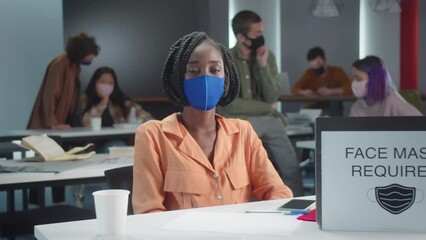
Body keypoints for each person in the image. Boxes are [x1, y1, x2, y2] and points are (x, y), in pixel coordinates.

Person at [132, 31, 293, 214]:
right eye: (193, 71)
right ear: (178, 79)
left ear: (225, 78)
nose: (206, 78)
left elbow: (277, 191)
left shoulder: (243, 132)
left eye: (214, 70)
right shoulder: (153, 136)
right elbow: (148, 213)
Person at [217, 10, 303, 196]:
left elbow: (273, 97)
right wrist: (266, 107)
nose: (261, 37)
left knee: (290, 167)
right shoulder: (225, 59)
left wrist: (263, 66)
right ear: (241, 37)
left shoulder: (268, 57)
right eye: (257, 34)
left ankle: (297, 205)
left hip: (269, 119)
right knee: (239, 171)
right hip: (238, 120)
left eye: (261, 32)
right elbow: (231, 103)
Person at [27, 32, 99, 205]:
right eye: (90, 54)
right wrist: (52, 122)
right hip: (47, 125)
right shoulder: (60, 64)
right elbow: (50, 94)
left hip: (60, 124)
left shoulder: (74, 66)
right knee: (44, 165)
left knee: (58, 164)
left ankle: (58, 202)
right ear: (82, 51)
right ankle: (36, 206)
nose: (91, 58)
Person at [80, 67, 154, 152]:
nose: (106, 86)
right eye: (103, 82)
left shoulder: (121, 101)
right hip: (94, 144)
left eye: (110, 83)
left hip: (118, 141)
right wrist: (104, 101)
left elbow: (143, 114)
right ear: (95, 83)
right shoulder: (86, 99)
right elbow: (87, 122)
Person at [349, 56, 422, 116]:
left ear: (374, 79)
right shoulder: (356, 107)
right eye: (353, 78)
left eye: (358, 79)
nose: (354, 83)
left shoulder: (391, 101)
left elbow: (420, 123)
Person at [291, 46, 352, 115]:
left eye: (318, 65)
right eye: (313, 66)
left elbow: (350, 88)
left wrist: (331, 92)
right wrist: (304, 92)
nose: (316, 68)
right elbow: (294, 89)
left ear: (324, 61)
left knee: (334, 103)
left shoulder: (337, 71)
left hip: (333, 105)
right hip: (314, 105)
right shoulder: (309, 73)